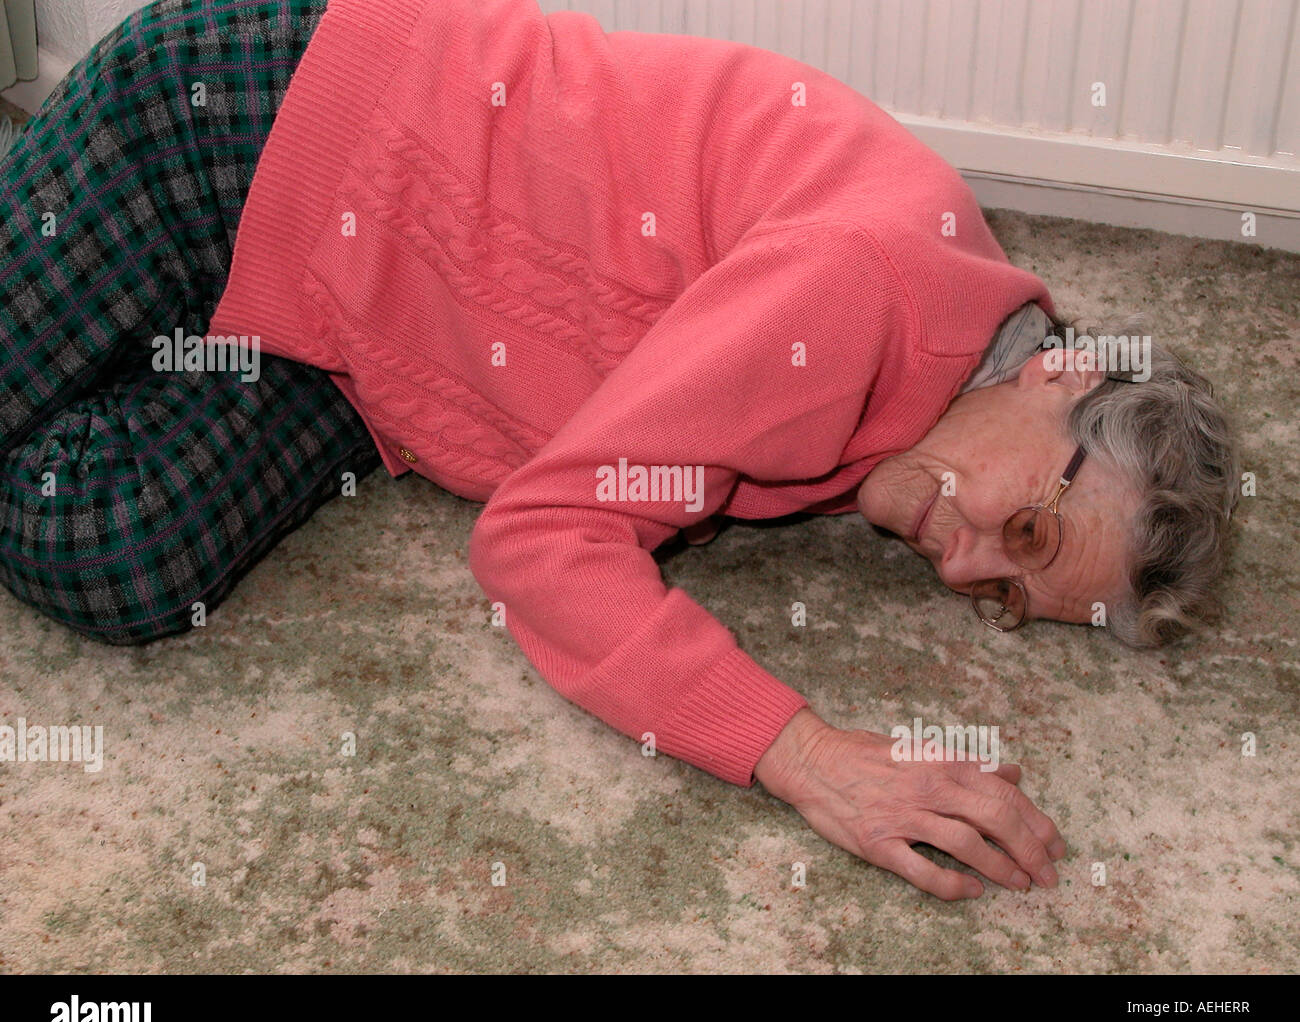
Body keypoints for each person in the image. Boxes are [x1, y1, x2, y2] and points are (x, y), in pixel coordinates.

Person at [0, 0, 1239, 900]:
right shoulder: (865, 295)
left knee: (109, 548)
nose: (969, 574)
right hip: (242, 134)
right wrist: (807, 756)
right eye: (1027, 532)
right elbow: (546, 540)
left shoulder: (937, 382)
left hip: (367, 352)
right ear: (1062, 368)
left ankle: (101, 299)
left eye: (1009, 599)